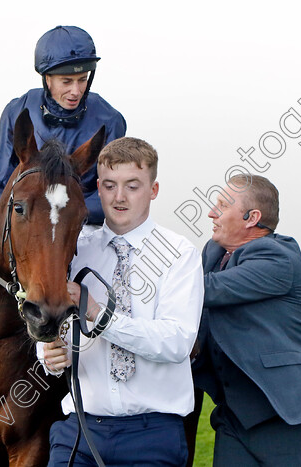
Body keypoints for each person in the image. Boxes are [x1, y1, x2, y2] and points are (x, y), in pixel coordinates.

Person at [39, 137, 203, 466]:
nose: (119, 197)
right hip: (80, 430)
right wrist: (47, 353)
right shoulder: (75, 247)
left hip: (153, 433)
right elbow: (49, 315)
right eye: (110, 185)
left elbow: (176, 342)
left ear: (153, 190)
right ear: (97, 188)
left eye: (133, 186)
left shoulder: (179, 253)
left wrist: (101, 316)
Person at [192, 174, 301, 466]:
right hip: (236, 418)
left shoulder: (276, 256)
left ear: (252, 217)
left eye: (222, 206)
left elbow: (205, 291)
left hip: (290, 416)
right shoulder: (213, 252)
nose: (211, 213)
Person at [0, 25, 127, 275]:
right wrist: (17, 223)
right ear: (47, 78)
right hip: (24, 221)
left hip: (80, 226)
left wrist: (63, 214)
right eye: (66, 81)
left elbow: (112, 191)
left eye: (83, 80)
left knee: (81, 274)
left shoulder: (110, 120)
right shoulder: (17, 110)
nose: (76, 91)